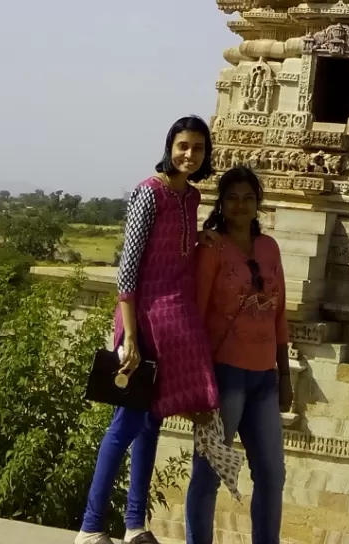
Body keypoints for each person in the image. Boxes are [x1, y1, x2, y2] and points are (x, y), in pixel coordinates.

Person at [76, 116, 221, 544]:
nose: (188, 155)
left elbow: (177, 254)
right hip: (140, 320)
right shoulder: (149, 192)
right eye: (182, 146)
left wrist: (203, 244)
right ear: (169, 147)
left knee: (151, 424)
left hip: (171, 321)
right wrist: (130, 339)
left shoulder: (191, 198)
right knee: (126, 422)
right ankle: (89, 527)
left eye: (197, 147)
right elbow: (129, 272)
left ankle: (135, 524)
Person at [186, 166, 291, 544]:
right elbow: (196, 315)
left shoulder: (270, 248)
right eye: (232, 197)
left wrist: (285, 374)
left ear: (258, 203)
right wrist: (198, 381)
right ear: (222, 204)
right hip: (224, 373)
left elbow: (280, 313)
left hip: (264, 377)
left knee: (271, 474)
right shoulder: (212, 249)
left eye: (248, 197)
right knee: (210, 471)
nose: (241, 205)